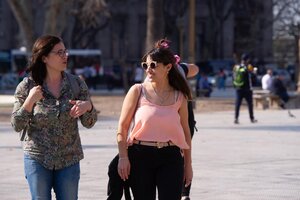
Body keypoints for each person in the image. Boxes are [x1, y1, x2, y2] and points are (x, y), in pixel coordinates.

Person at [11, 35, 98, 199]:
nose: (65, 56)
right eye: (59, 52)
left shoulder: (76, 84)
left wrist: (88, 107)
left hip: (69, 159)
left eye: (65, 51)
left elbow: (89, 123)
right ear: (44, 57)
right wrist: (30, 101)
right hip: (38, 158)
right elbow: (16, 124)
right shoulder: (27, 86)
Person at [116, 38, 193, 199]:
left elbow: (186, 132)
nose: (148, 70)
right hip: (140, 155)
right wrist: (123, 157)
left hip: (171, 156)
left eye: (153, 65)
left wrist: (188, 164)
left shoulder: (180, 96)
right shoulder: (137, 91)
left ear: (168, 67)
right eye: (145, 65)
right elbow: (122, 128)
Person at [232, 53, 257, 124]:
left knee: (238, 104)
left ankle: (236, 118)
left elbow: (233, 76)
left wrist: (235, 86)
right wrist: (254, 72)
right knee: (250, 104)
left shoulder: (236, 67)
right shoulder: (249, 66)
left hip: (238, 88)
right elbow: (252, 76)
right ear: (248, 59)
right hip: (247, 89)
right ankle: (252, 118)